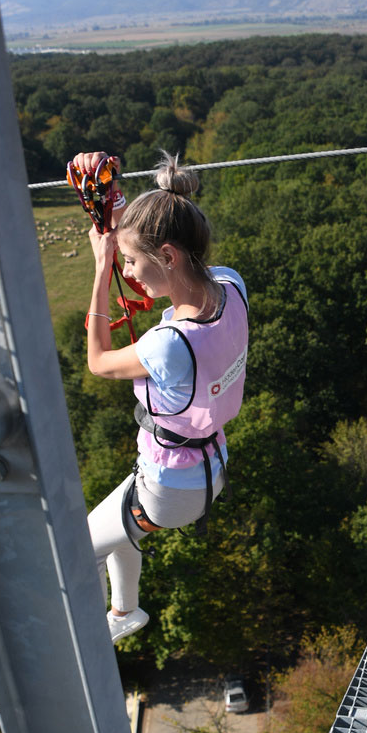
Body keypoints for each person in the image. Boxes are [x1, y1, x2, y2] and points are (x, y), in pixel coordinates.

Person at [76, 150, 249, 643]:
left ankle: (84, 640)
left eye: (130, 262)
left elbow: (97, 360)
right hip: (209, 466)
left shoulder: (168, 345)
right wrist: (123, 222)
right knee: (115, 529)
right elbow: (185, 267)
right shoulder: (232, 286)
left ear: (168, 256)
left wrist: (99, 267)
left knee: (78, 551)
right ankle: (123, 612)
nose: (127, 272)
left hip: (171, 489)